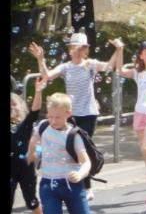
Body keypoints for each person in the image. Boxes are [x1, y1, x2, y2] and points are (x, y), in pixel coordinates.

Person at [28, 93, 120, 214]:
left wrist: (79, 173)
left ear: (68, 113)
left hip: (71, 184)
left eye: (58, 117)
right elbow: (34, 141)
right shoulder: (43, 126)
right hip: (48, 184)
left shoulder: (73, 135)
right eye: (50, 116)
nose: (53, 121)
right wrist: (33, 154)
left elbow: (85, 162)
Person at [28, 33, 122, 199]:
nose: (78, 51)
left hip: (88, 113)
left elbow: (109, 66)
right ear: (70, 50)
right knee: (71, 150)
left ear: (85, 50)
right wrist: (40, 58)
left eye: (81, 48)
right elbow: (47, 76)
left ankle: (86, 187)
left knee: (82, 149)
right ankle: (75, 183)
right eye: (75, 48)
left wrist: (119, 49)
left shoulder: (90, 64)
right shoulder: (66, 67)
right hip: (69, 114)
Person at [11, 76, 47, 214]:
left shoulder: (25, 124)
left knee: (31, 200)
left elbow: (35, 111)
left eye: (14, 104)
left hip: (26, 167)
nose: (11, 107)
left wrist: (38, 91)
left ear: (21, 107)